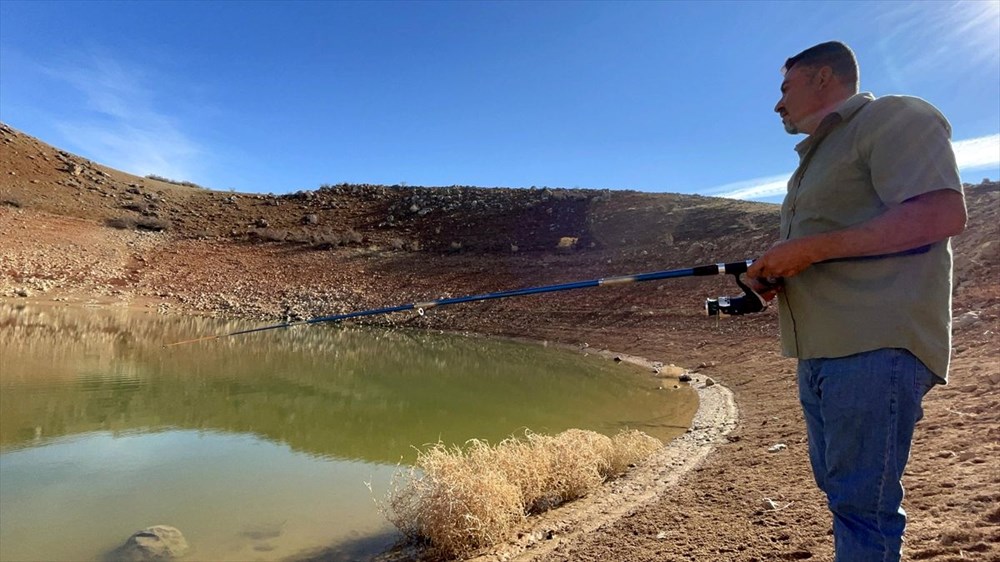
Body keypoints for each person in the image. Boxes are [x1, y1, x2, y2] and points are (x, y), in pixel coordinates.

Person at [746, 41, 967, 562]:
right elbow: (829, 246)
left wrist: (808, 249)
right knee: (846, 494)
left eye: (785, 88)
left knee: (862, 505)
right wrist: (780, 268)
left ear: (824, 78)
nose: (778, 104)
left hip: (874, 344)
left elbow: (940, 215)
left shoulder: (894, 116)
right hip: (822, 351)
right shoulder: (813, 161)